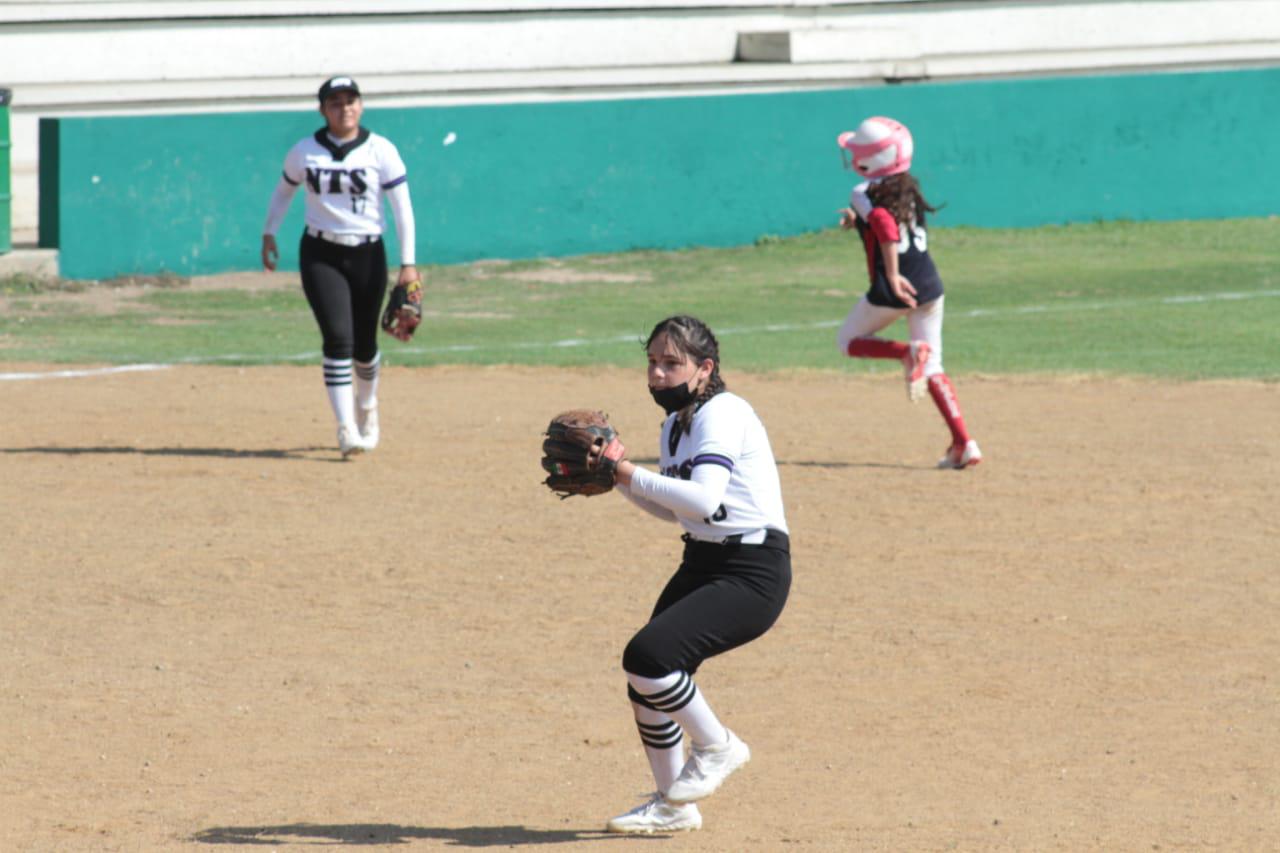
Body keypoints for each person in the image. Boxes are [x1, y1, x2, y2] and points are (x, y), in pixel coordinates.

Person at [605, 315, 792, 834]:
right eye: (652, 363)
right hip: (703, 562)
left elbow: (706, 497)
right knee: (646, 684)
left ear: (705, 368)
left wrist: (626, 472)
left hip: (753, 572)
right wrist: (617, 482)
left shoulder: (723, 413)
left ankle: (718, 747)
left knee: (647, 658)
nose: (658, 375)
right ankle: (673, 806)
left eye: (672, 363)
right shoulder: (675, 425)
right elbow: (682, 512)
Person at [260, 75, 420, 458]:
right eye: (335, 102)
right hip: (320, 252)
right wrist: (269, 232)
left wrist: (408, 264)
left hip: (367, 253)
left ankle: (367, 408)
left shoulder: (380, 150)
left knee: (365, 346)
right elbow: (284, 190)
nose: (344, 108)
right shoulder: (304, 152)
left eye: (351, 100)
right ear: (322, 110)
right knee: (337, 339)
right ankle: (346, 428)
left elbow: (403, 210)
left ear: (360, 106)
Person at [835, 116, 982, 469]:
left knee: (848, 340)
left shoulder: (863, 192)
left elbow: (886, 226)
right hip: (930, 285)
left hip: (896, 287)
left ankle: (907, 352)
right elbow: (889, 219)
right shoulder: (905, 186)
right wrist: (858, 222)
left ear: (869, 158)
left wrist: (894, 276)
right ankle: (964, 443)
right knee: (935, 366)